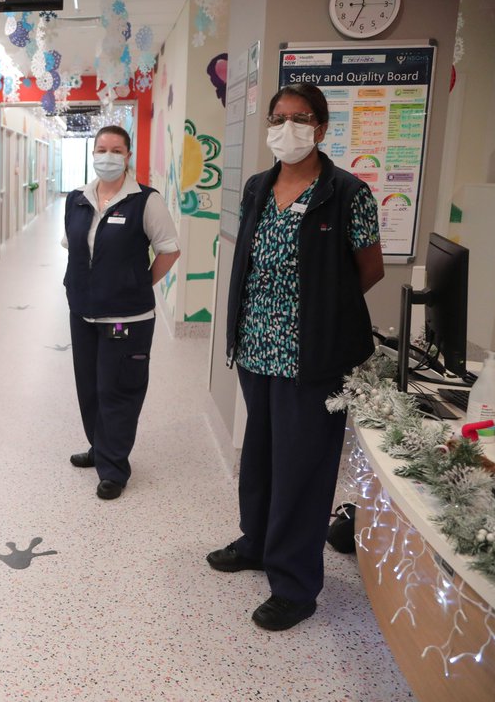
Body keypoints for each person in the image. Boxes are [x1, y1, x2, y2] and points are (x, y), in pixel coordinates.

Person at [207, 83, 384, 631]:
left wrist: (322, 310)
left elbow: (369, 270)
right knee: (259, 455)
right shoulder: (259, 187)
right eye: (278, 118)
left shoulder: (347, 193)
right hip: (258, 348)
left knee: (303, 470)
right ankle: (257, 542)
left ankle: (295, 584)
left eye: (300, 118)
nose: (287, 128)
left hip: (314, 355)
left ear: (321, 128)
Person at [63, 125, 180, 501]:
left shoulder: (146, 200)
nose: (107, 156)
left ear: (128, 156)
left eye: (116, 150)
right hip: (83, 311)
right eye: (101, 149)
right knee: (90, 387)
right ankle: (99, 448)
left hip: (125, 317)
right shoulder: (77, 198)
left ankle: (114, 467)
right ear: (92, 153)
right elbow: (74, 247)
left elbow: (169, 250)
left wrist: (139, 284)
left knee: (119, 390)